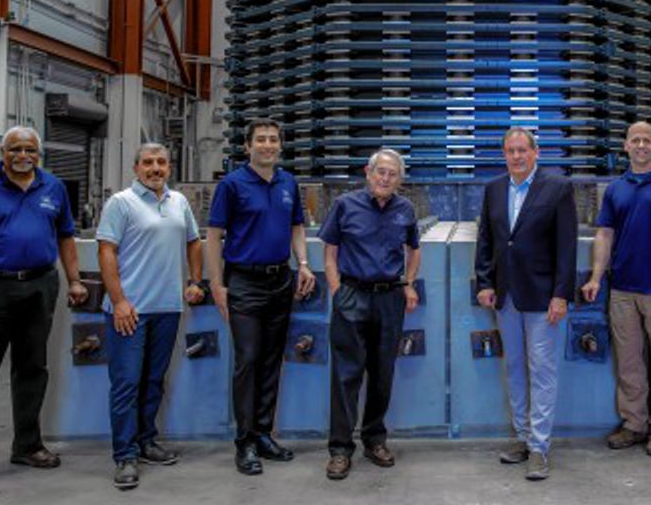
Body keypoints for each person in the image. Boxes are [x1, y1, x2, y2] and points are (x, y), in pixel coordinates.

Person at [0, 126, 87, 490]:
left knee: (32, 369)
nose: (23, 155)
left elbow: (66, 236)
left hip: (39, 285)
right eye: (15, 149)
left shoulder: (53, 188)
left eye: (30, 150)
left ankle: (27, 445)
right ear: (3, 152)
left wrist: (73, 279)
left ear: (39, 154)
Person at [206, 119, 316, 475]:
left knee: (271, 361)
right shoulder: (232, 184)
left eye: (273, 140)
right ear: (247, 146)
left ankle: (264, 434)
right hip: (243, 283)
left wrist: (303, 263)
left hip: (280, 280)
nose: (267, 145)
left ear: (280, 146)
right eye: (261, 140)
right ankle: (245, 442)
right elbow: (214, 236)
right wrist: (217, 285)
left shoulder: (288, 183)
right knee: (248, 360)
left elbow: (296, 226)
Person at [582, 121, 651, 458]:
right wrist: (596, 278)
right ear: (626, 146)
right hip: (623, 291)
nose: (642, 145)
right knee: (629, 362)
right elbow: (604, 235)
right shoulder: (616, 189)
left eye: (648, 140)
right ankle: (634, 424)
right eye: (636, 140)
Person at [97, 143, 204, 490]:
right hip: (130, 311)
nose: (155, 168)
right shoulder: (121, 203)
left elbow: (194, 241)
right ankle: (125, 456)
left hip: (167, 308)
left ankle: (146, 441)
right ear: (136, 167)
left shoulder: (179, 202)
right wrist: (119, 301)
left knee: (153, 381)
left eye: (161, 162)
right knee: (126, 384)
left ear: (169, 167)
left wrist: (194, 280)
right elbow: (106, 252)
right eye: (148, 163)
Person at [475, 127, 577, 481]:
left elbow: (567, 247)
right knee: (515, 368)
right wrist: (485, 283)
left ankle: (539, 447)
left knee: (542, 371)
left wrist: (561, 294)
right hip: (506, 296)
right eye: (510, 151)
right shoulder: (493, 189)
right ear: (503, 154)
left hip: (542, 297)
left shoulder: (558, 188)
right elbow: (486, 240)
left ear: (536, 153)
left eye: (522, 150)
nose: (516, 156)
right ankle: (522, 437)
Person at [319, 149, 422, 480]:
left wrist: (407, 284)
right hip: (352, 296)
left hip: (389, 299)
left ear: (399, 179)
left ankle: (374, 439)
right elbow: (330, 253)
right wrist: (337, 291)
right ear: (368, 172)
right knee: (345, 375)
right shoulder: (345, 205)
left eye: (393, 174)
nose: (386, 178)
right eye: (381, 172)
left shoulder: (405, 209)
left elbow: (414, 250)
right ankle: (339, 449)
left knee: (382, 374)